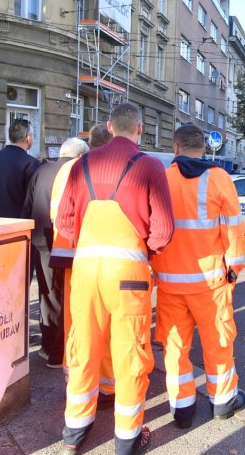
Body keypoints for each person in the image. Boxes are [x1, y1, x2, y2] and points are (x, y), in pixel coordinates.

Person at [56, 103, 174, 455]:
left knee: (83, 347)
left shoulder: (81, 165)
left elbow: (64, 222)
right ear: (140, 129)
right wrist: (143, 251)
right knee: (130, 354)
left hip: (87, 272)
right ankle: (127, 438)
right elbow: (164, 230)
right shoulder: (151, 166)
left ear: (109, 127)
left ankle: (74, 434)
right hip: (129, 276)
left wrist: (90, 243)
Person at [152, 124, 245, 431]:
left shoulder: (162, 179)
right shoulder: (219, 179)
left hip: (169, 283)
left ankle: (182, 409)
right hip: (210, 284)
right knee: (218, 343)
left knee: (175, 348)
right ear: (204, 149)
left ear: (175, 149)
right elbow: (233, 228)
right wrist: (233, 270)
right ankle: (222, 403)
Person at [50, 124, 116, 404]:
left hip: (71, 254)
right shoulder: (103, 168)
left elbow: (60, 214)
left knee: (77, 323)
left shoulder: (68, 170)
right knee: (107, 323)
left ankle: (75, 380)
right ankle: (106, 383)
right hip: (100, 256)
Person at [22, 138, 89, 369]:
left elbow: (28, 205)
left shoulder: (42, 170)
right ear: (80, 156)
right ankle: (63, 349)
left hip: (41, 241)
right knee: (70, 296)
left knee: (48, 294)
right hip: (70, 243)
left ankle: (49, 346)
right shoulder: (80, 171)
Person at [0, 119, 40, 218]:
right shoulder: (31, 163)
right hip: (19, 226)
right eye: (33, 135)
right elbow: (36, 200)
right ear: (28, 138)